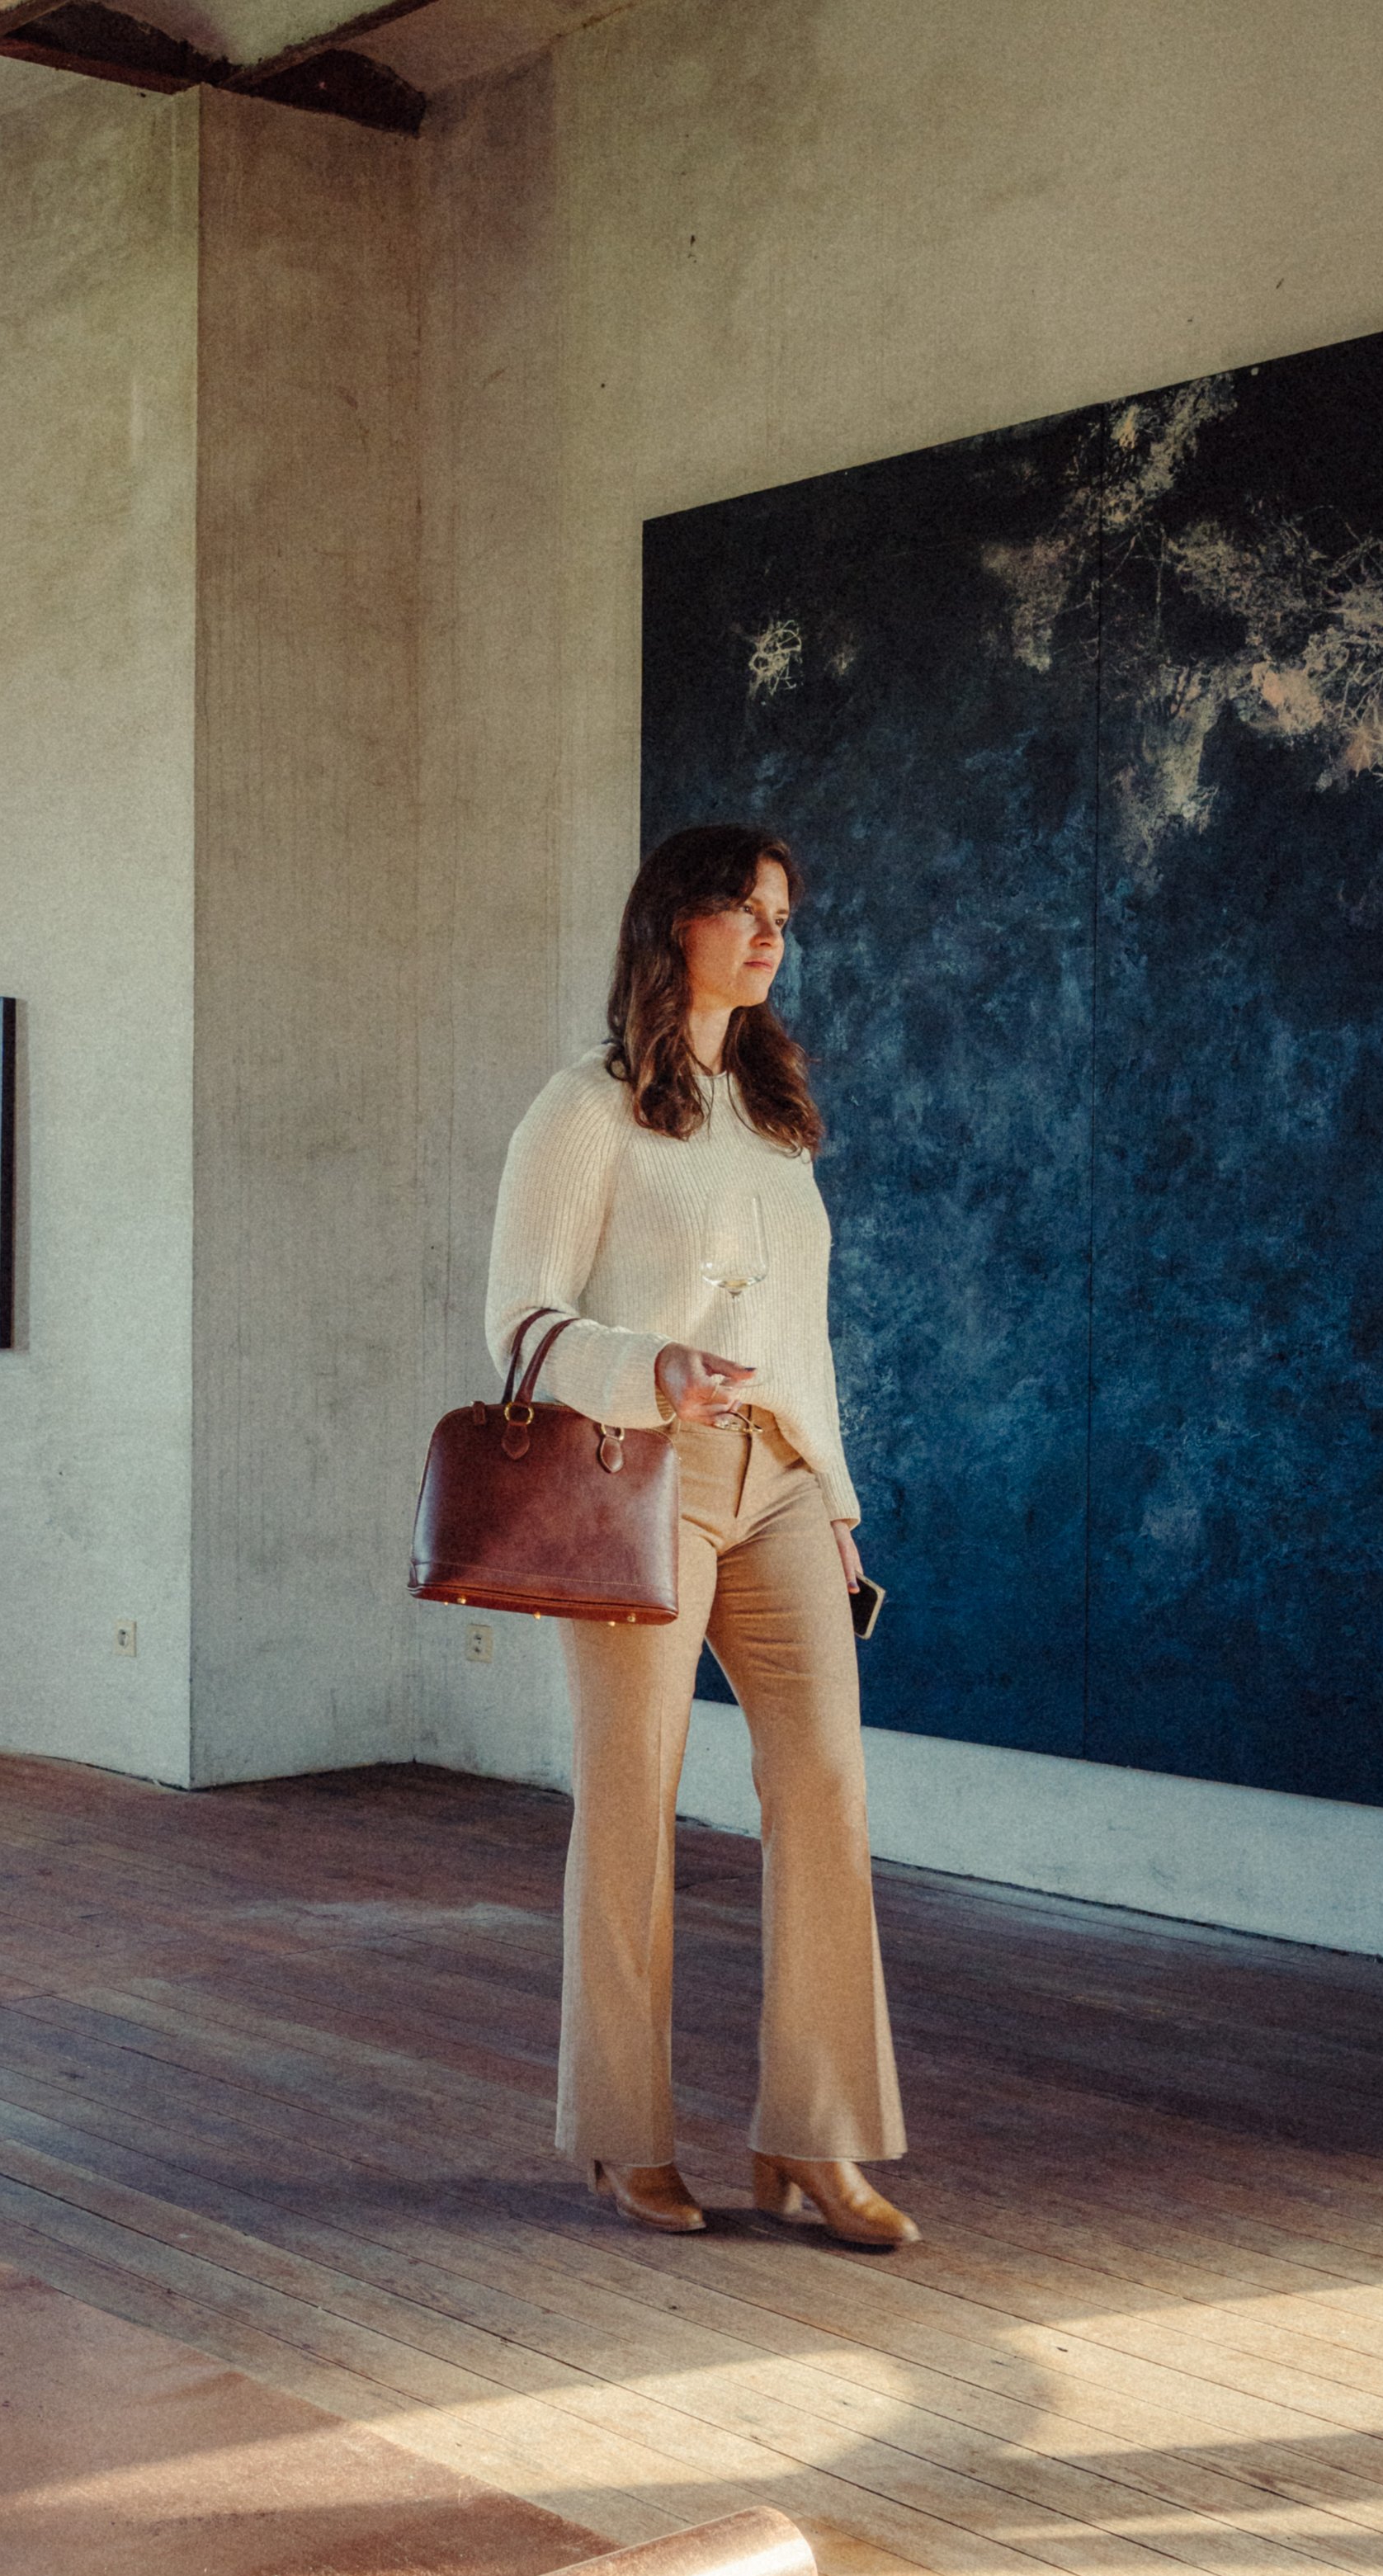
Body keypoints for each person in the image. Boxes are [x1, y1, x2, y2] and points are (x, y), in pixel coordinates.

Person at [484, 824, 916, 2247]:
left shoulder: (778, 1117)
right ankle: (622, 2136)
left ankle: (818, 2138)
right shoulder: (584, 1111)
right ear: (673, 922)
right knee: (631, 1804)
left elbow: (807, 1337)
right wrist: (651, 1370)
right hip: (641, 1484)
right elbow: (521, 1326)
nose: (767, 928)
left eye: (782, 909)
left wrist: (840, 1503)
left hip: (783, 1480)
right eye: (739, 904)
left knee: (829, 1791)